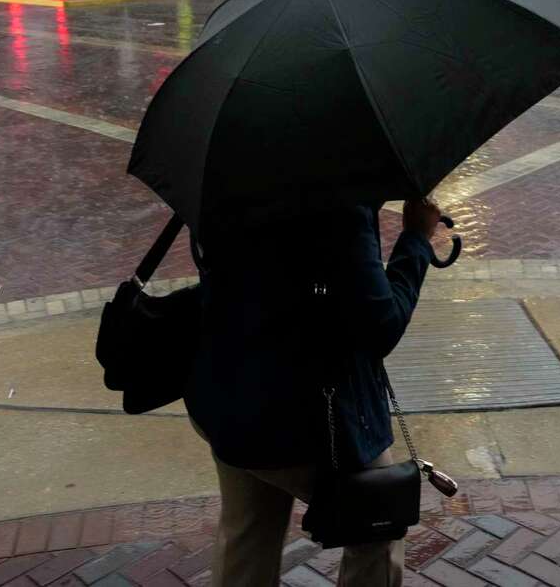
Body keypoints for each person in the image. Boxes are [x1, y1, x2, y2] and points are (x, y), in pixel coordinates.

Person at [185, 198, 442, 586]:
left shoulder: (226, 172)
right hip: (305, 415)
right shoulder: (338, 198)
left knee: (249, 533)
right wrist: (417, 239)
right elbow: (381, 324)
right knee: (379, 527)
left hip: (227, 393)